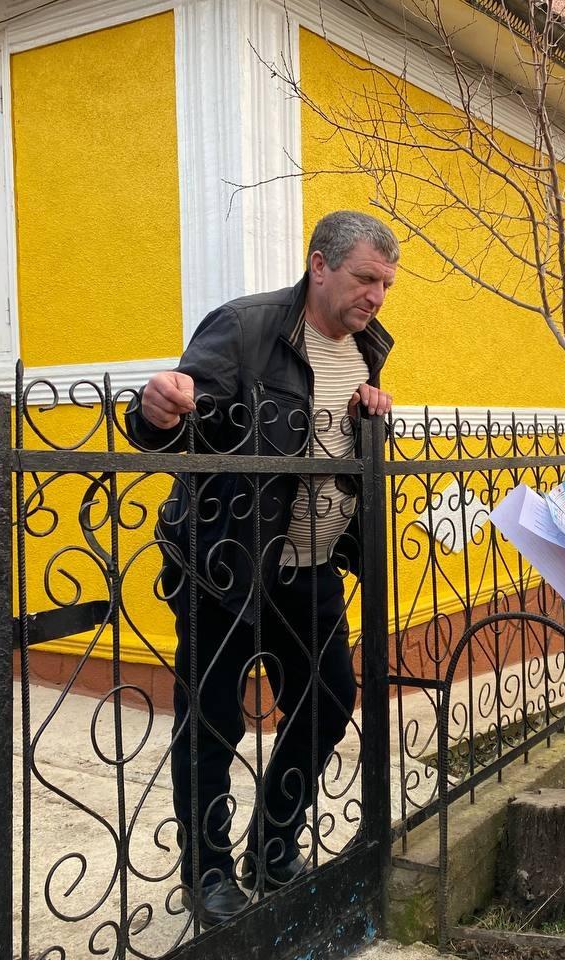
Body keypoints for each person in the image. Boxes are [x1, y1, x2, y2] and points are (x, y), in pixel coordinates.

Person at [127, 211, 398, 926]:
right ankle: (208, 873)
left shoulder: (369, 348)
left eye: (386, 284)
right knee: (213, 723)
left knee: (331, 699)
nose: (376, 296)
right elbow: (186, 415)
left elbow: (337, 444)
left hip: (312, 569)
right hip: (230, 565)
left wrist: (372, 414)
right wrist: (159, 410)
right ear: (318, 265)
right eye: (365, 278)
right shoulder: (246, 328)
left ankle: (273, 846)